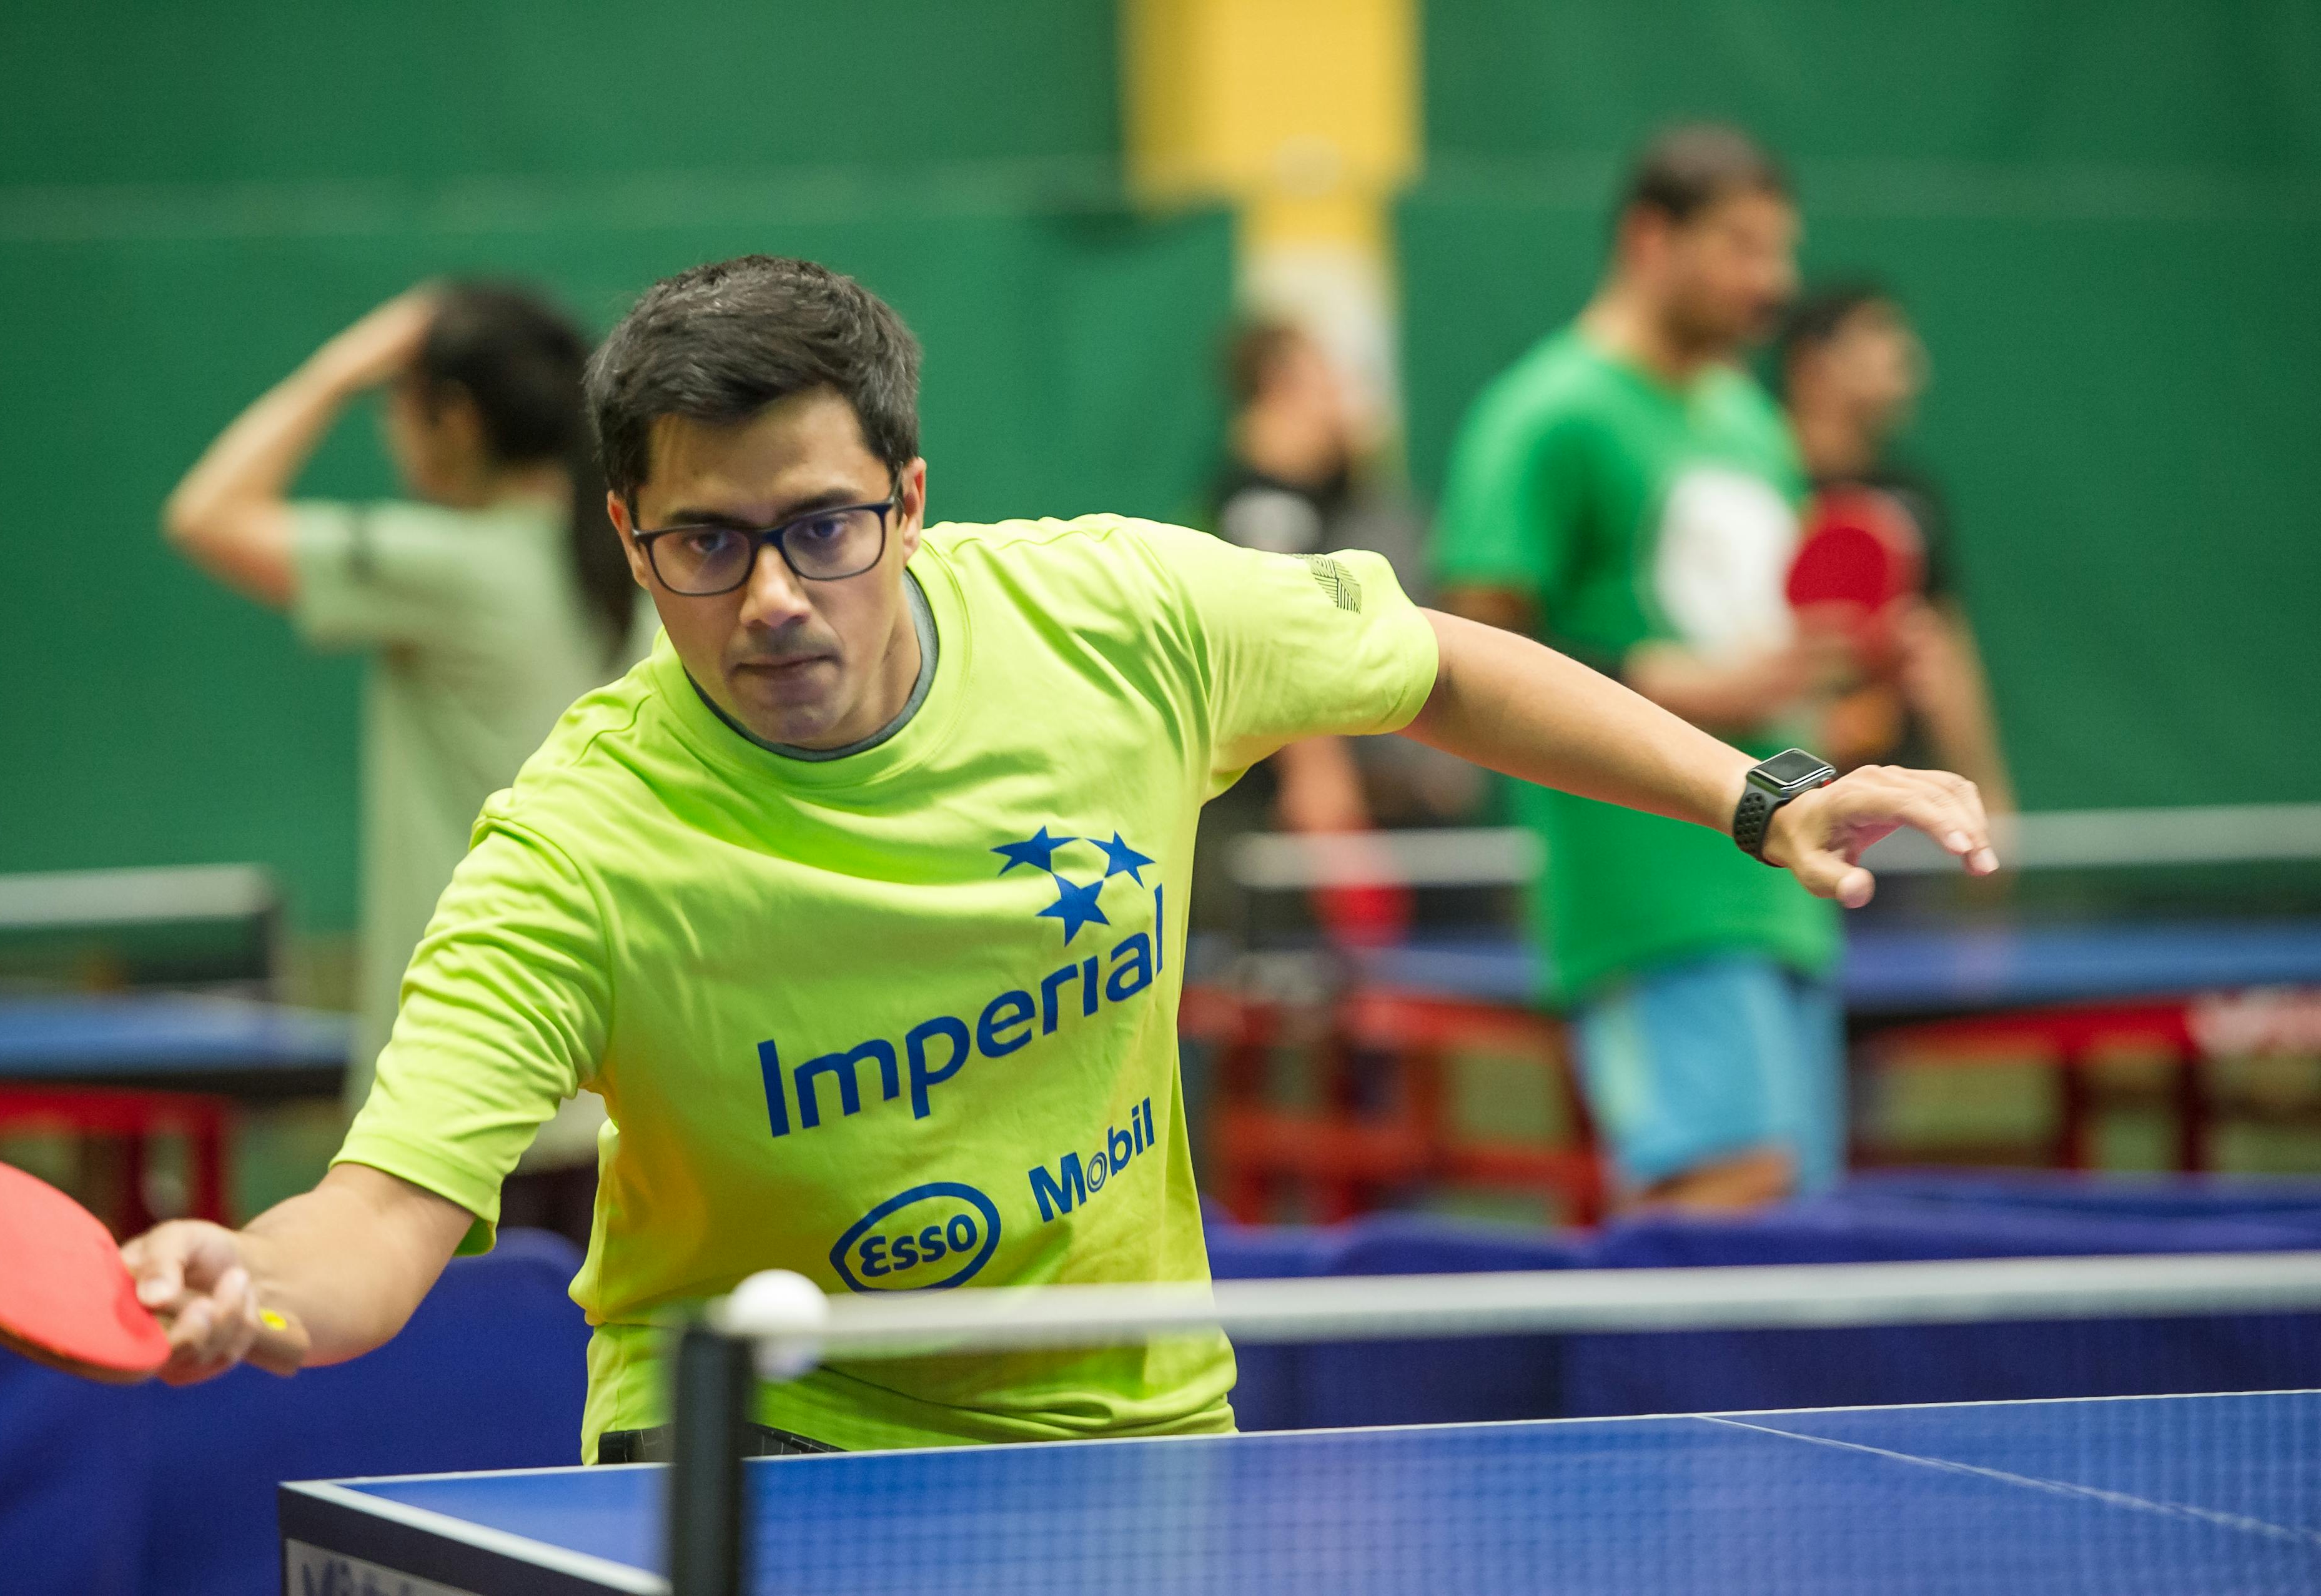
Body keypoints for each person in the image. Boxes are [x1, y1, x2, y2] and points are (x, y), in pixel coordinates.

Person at [127, 255, 1994, 1462]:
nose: (774, 594)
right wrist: (251, 1285)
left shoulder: (1121, 615)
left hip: (1134, 1413)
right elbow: (381, 1217)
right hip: (765, 1452)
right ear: (628, 535)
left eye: (825, 525)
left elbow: (1438, 663)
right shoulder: (578, 846)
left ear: (911, 499)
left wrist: (1759, 791)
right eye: (706, 542)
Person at [1433, 124, 1856, 1211]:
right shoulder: (1548, 414)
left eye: (1781, 252)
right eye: (1743, 248)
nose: (1775, 283)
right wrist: (1683, 683)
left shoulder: (1749, 419)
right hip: (1647, 889)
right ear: (1649, 239)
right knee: (1722, 1195)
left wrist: (1829, 674)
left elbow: (1756, 638)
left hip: (1784, 880)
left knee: (1795, 1222)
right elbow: (1470, 648)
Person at [163, 284, 640, 1232]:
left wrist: (338, 368)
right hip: (615, 1078)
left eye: (398, 402)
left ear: (455, 418)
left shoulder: (454, 566)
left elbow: (206, 514)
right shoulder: (635, 560)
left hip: (482, 1094)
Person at [1198, 320, 1469, 948]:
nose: (1349, 402)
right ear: (1281, 385)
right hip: (1301, 838)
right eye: (1331, 381)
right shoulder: (1260, 508)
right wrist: (1320, 784)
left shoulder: (1335, 500)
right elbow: (1281, 640)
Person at [1776, 282, 2014, 811]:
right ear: (1815, 362)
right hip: (1775, 799)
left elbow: (1948, 648)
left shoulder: (1912, 498)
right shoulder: (1759, 489)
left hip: (1898, 800)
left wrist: (1987, 789)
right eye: (1880, 334)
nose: (1909, 362)